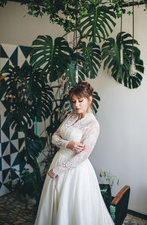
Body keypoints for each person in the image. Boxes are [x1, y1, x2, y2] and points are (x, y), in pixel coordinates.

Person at [34, 81, 114, 225]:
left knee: (71, 206)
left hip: (75, 170)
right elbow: (54, 137)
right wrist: (68, 144)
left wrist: (57, 170)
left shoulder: (93, 124)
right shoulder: (70, 116)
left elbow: (83, 155)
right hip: (59, 159)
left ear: (89, 100)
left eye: (80, 101)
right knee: (55, 203)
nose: (76, 105)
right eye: (74, 101)